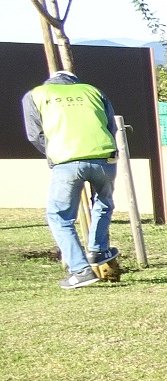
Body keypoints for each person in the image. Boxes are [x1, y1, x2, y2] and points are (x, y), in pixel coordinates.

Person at [22, 70, 122, 288]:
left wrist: (54, 155)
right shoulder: (93, 91)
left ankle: (81, 270)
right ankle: (98, 250)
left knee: (59, 216)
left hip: (66, 161)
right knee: (104, 203)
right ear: (74, 80)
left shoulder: (36, 94)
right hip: (104, 158)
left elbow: (35, 135)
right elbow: (111, 126)